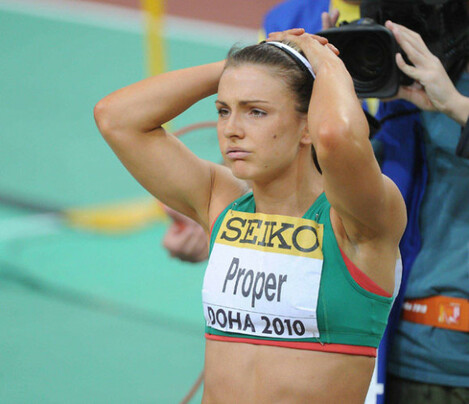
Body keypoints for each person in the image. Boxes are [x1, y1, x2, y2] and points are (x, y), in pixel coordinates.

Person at [94, 26, 406, 402]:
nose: (231, 130)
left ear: (307, 126)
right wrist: (241, 67)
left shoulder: (355, 222)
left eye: (256, 112)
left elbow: (336, 135)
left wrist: (323, 58)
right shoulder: (221, 202)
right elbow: (116, 118)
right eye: (224, 111)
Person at [265, 1, 469, 402]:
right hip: (394, 348)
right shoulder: (404, 94)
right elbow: (329, 197)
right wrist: (328, 89)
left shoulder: (445, 92)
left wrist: (456, 105)